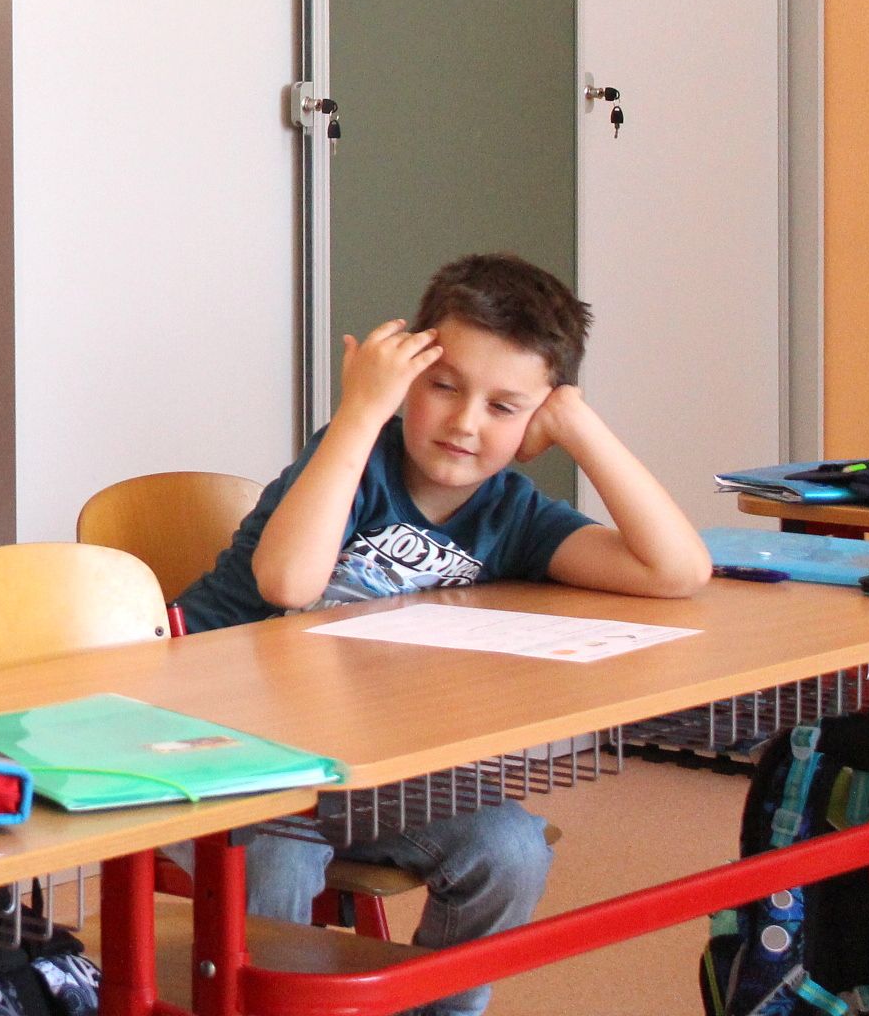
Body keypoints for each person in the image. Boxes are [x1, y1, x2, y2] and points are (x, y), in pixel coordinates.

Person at [172, 252, 709, 1016]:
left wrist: (579, 426)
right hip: (215, 748)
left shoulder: (512, 516)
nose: (464, 423)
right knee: (279, 869)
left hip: (352, 763)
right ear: (406, 377)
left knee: (510, 849)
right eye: (444, 387)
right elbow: (287, 584)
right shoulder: (353, 458)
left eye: (504, 406)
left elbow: (676, 571)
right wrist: (360, 412)